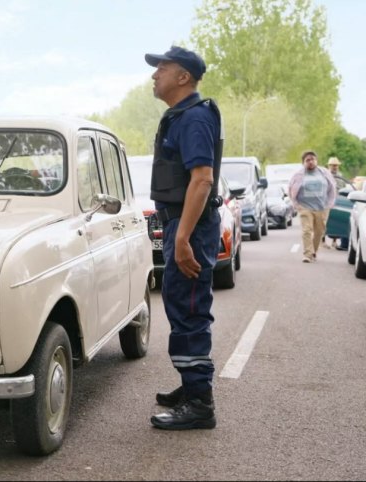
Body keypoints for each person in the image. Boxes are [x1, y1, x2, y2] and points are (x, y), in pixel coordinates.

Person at [144, 45, 223, 430]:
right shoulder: (181, 117)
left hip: (190, 226)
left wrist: (182, 238)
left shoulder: (194, 118)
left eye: (162, 67)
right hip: (181, 222)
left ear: (183, 77)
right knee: (180, 305)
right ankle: (190, 387)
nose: (154, 74)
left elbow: (202, 179)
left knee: (189, 310)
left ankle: (199, 404)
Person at [288, 151, 337, 262]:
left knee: (320, 231)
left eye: (312, 159)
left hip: (322, 207)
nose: (310, 162)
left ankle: (313, 251)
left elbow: (332, 188)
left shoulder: (324, 173)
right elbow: (291, 189)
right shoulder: (298, 175)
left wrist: (329, 203)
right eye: (307, 160)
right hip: (305, 207)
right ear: (303, 163)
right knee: (307, 230)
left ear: (316, 161)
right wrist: (297, 205)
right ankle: (307, 254)